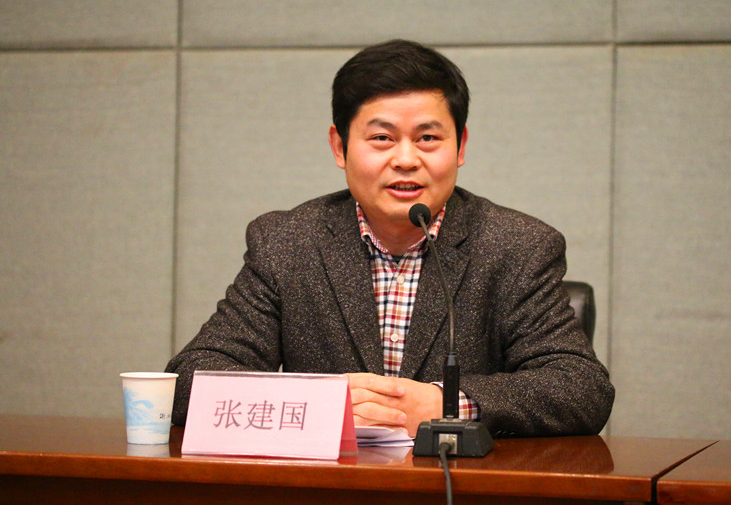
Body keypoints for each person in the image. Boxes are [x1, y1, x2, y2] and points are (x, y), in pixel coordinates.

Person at [166, 39, 614, 437]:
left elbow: (581, 388)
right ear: (340, 147)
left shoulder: (517, 246)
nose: (405, 159)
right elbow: (190, 381)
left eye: (428, 138)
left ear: (460, 146)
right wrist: (320, 403)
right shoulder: (287, 243)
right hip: (329, 487)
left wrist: (446, 404)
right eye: (382, 137)